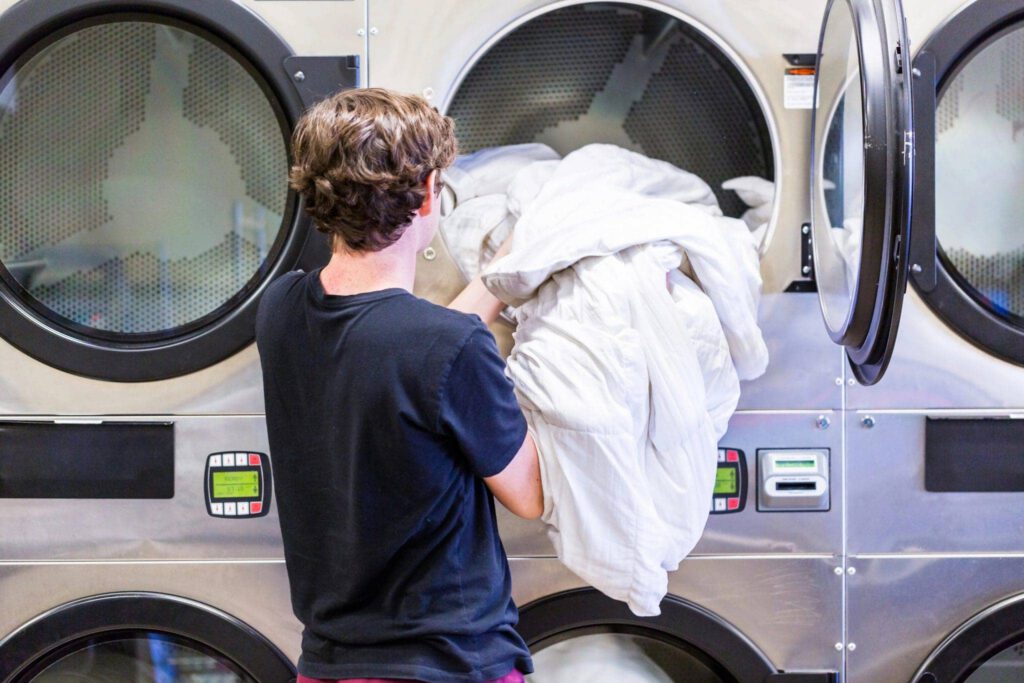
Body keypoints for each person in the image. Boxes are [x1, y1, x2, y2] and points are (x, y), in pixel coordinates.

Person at [255, 88, 542, 683]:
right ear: (430, 193)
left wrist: (502, 274)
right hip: (449, 664)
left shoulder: (279, 311)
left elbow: (404, 345)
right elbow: (529, 494)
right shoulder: (449, 350)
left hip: (329, 664)